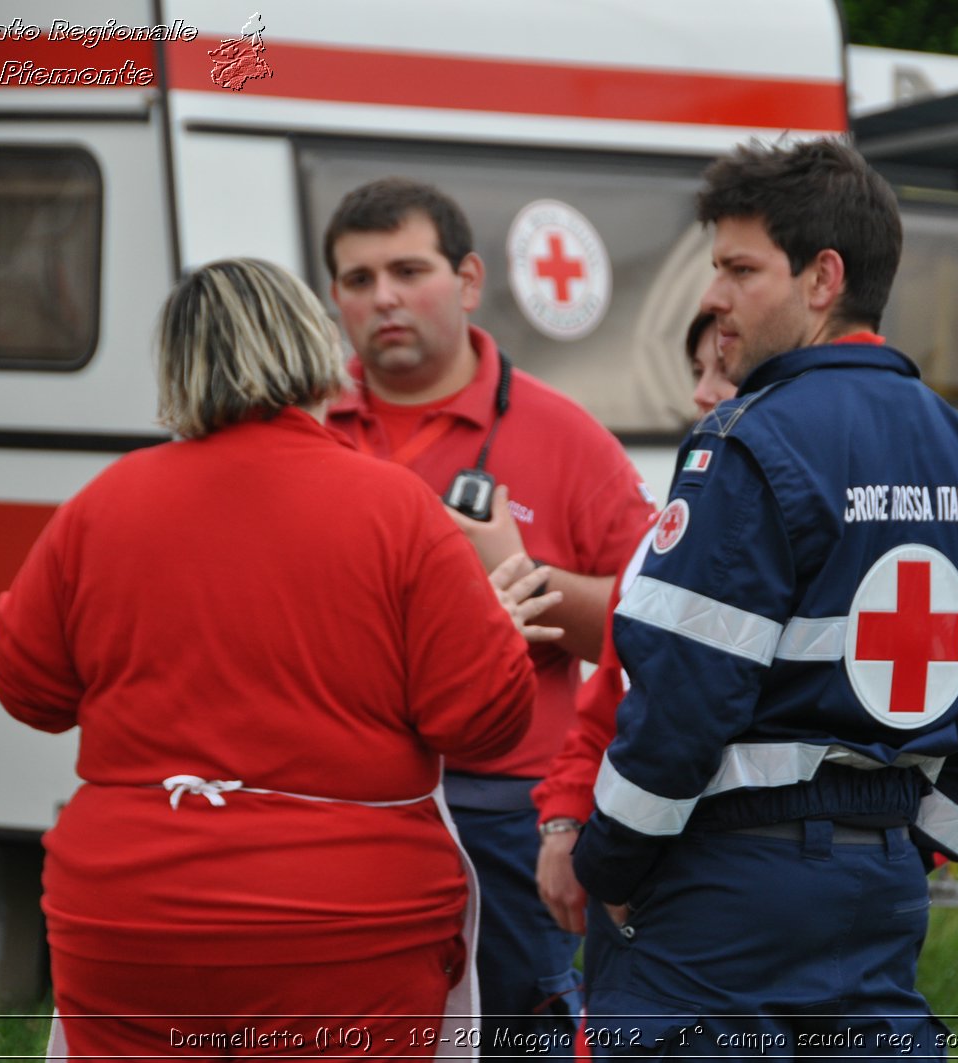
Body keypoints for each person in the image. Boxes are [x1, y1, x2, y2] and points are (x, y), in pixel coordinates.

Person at [0, 258, 537, 1058]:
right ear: (311, 346)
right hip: (345, 924)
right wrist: (492, 628)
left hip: (127, 917)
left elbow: (26, 685)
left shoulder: (102, 504)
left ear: (176, 367)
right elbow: (484, 720)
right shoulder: (392, 507)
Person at [570, 139, 958, 1057]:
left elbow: (684, 696)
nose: (714, 297)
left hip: (726, 890)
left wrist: (608, 863)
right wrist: (911, 845)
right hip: (885, 887)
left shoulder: (744, 444)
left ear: (823, 278)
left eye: (741, 269)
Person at [322, 179, 656, 1047]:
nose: (383, 297)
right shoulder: (307, 431)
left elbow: (661, 625)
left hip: (506, 815)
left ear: (469, 279)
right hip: (340, 806)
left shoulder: (565, 436)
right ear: (334, 299)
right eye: (358, 280)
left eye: (407, 269)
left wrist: (515, 574)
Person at [533, 311, 735, 935]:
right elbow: (610, 700)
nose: (702, 393)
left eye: (725, 372)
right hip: (643, 887)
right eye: (698, 371)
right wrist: (566, 821)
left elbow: (685, 716)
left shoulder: (770, 534)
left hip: (719, 880)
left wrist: (615, 862)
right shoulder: (663, 540)